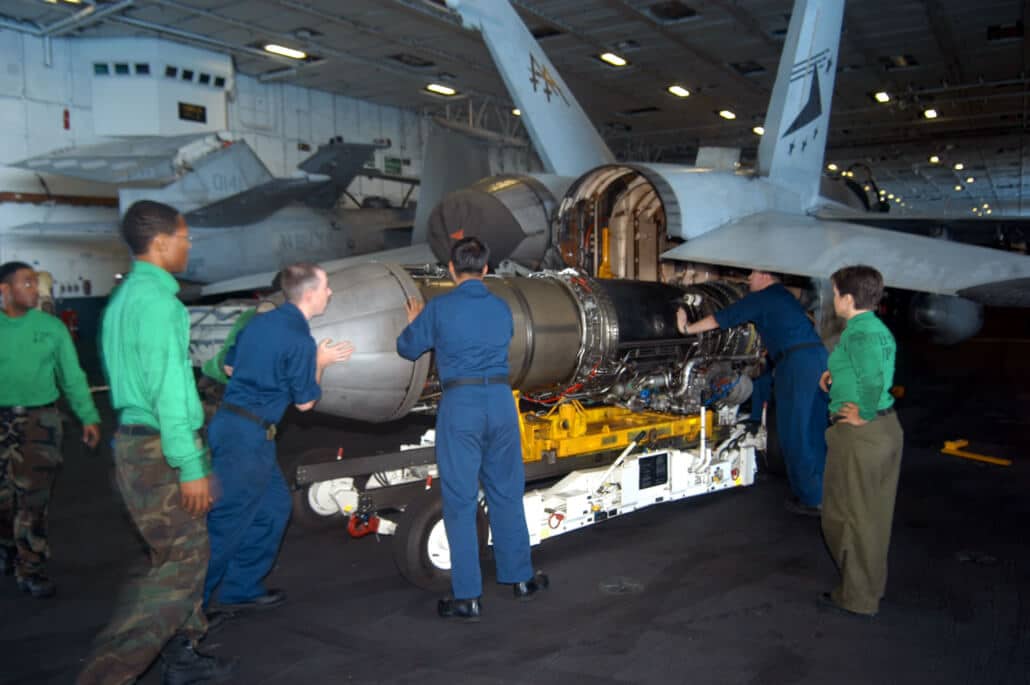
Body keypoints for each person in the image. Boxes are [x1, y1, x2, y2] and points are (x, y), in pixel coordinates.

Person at [77, 201, 237, 685]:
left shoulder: (123, 300)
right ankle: (105, 673)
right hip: (160, 449)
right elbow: (168, 389)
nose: (189, 247)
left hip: (134, 442)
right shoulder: (161, 305)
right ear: (162, 242)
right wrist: (189, 464)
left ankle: (182, 654)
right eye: (185, 238)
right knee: (182, 567)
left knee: (172, 557)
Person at [397, 237, 548, 622]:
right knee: (507, 492)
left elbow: (407, 347)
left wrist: (416, 322)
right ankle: (521, 578)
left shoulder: (441, 308)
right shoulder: (500, 308)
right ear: (486, 269)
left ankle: (468, 597)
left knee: (461, 501)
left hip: (461, 406)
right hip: (499, 402)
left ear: (450, 268)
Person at [203, 263, 353, 616]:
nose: (330, 293)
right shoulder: (301, 341)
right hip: (247, 439)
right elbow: (305, 403)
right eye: (326, 287)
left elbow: (230, 367)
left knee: (274, 508)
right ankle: (190, 608)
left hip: (237, 429)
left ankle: (240, 589)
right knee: (228, 523)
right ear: (310, 294)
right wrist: (319, 362)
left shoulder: (259, 322)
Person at [678, 270, 828, 516]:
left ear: (766, 277)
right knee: (814, 427)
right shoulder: (782, 295)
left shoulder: (763, 297)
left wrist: (687, 327)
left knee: (795, 430)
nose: (748, 279)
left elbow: (722, 318)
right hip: (816, 358)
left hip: (797, 365)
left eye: (753, 274)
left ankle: (812, 498)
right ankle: (824, 491)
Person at [0, 261, 100, 598]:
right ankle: (7, 547)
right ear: (4, 290)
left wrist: (88, 415)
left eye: (36, 283)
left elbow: (72, 376)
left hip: (39, 422)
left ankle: (31, 567)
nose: (36, 289)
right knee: (4, 499)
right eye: (27, 283)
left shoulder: (51, 328)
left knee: (33, 500)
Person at [817, 265, 903, 617]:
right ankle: (867, 587)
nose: (833, 298)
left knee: (845, 518)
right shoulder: (874, 329)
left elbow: (872, 378)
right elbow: (869, 370)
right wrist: (834, 375)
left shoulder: (858, 334)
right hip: (882, 432)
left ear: (848, 298)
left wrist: (862, 413)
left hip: (861, 436)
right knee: (871, 517)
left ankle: (858, 598)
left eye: (836, 293)